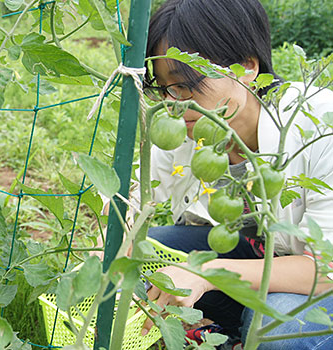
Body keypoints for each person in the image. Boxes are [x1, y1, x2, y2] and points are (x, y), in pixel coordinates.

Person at [139, 0, 333, 349]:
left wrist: (206, 274)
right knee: (141, 254)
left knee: (279, 328)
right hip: (251, 257)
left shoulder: (319, 126)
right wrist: (113, 244)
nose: (176, 104)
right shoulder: (187, 122)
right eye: (166, 89)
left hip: (315, 279)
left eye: (187, 84)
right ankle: (228, 333)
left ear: (246, 67)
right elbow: (137, 200)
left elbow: (326, 271)